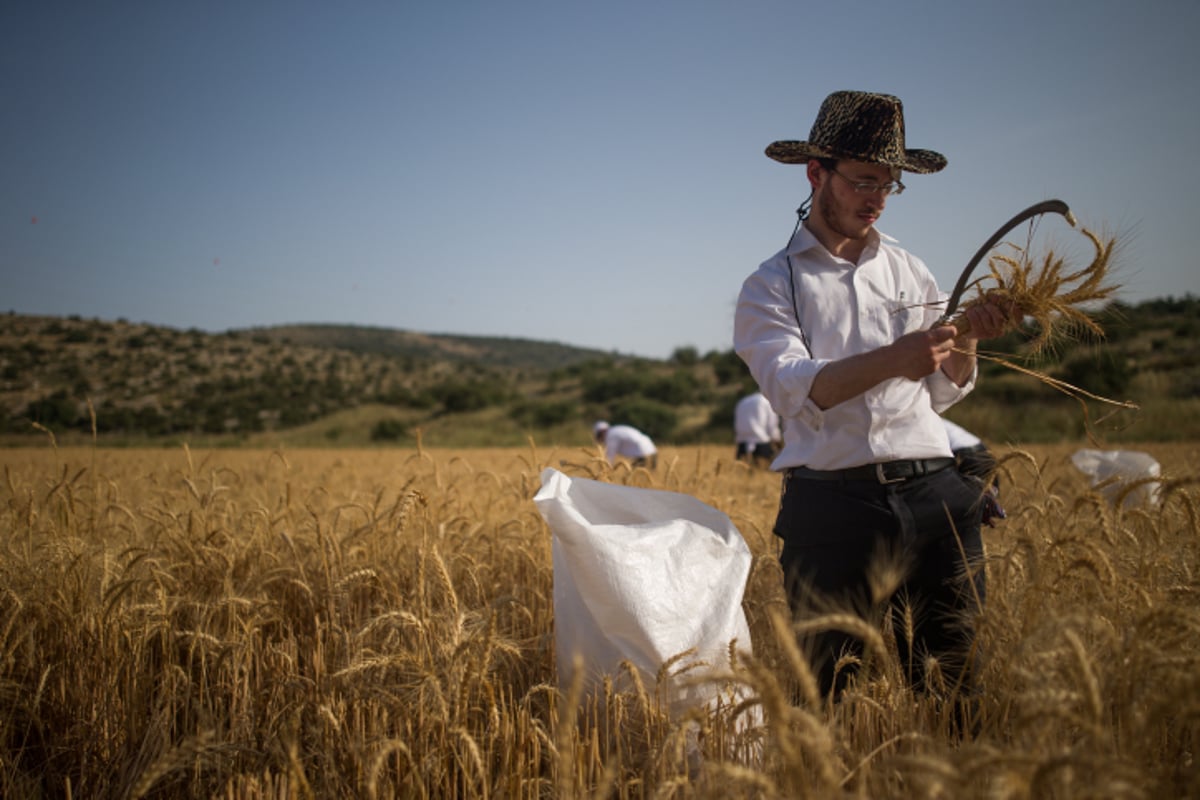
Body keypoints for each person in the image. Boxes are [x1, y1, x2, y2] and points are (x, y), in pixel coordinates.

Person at [733, 90, 1018, 706]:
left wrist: (967, 337)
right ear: (817, 173)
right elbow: (794, 389)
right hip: (833, 508)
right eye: (864, 180)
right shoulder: (770, 286)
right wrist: (896, 357)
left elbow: (940, 393)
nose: (878, 198)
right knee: (831, 701)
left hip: (936, 495)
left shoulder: (911, 270)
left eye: (889, 185)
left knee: (955, 691)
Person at [941, 418, 1006, 527]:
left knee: (964, 514)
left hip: (965, 456)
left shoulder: (916, 422)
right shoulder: (933, 417)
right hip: (983, 452)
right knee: (984, 509)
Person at [734, 390, 782, 467]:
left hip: (742, 444)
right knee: (763, 472)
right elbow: (772, 426)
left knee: (740, 474)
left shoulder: (743, 401)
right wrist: (779, 444)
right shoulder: (767, 402)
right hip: (761, 444)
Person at [593, 420, 658, 470]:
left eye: (599, 435)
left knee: (634, 477)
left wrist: (604, 471)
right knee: (640, 474)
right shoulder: (615, 430)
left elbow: (609, 457)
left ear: (601, 432)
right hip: (650, 446)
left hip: (642, 450)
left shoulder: (610, 435)